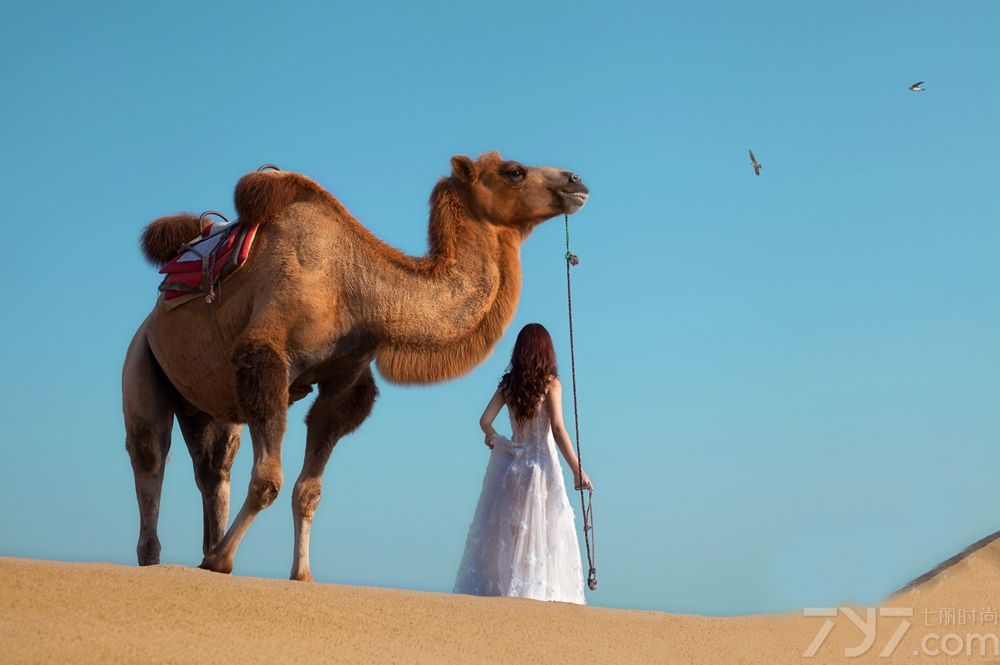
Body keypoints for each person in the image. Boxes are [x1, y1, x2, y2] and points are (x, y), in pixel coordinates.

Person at [453, 323, 593, 604]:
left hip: (514, 468)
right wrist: (578, 469)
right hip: (542, 468)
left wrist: (494, 439)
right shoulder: (551, 383)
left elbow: (484, 421)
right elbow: (557, 428)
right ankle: (535, 593)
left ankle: (509, 589)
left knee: (514, 533)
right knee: (544, 531)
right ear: (546, 351)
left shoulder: (508, 385)